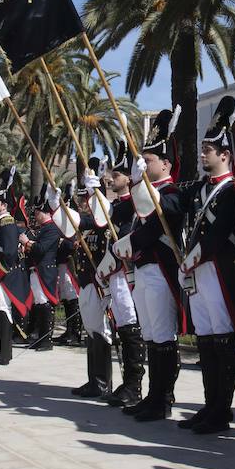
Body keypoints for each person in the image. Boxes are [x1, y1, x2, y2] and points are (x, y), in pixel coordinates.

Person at [112, 109, 187, 422]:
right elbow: (117, 213)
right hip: (143, 269)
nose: (144, 164)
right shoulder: (145, 192)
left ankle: (163, 399)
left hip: (161, 269)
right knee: (151, 335)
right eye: (142, 160)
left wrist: (130, 242)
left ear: (166, 164)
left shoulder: (171, 193)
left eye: (150, 160)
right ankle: (153, 396)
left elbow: (153, 222)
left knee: (163, 335)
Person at [178, 98, 235, 436]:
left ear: (225, 154)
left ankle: (222, 409)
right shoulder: (198, 189)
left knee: (222, 337)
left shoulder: (233, 191)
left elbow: (220, 233)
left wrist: (195, 256)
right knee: (205, 338)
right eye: (203, 149)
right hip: (198, 272)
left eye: (208, 150)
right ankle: (209, 404)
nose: (203, 154)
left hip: (219, 268)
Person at [96, 146, 146, 408]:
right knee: (123, 327)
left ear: (128, 178)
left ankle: (134, 385)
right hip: (114, 273)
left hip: (127, 272)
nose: (111, 179)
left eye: (116, 175)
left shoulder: (133, 204)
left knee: (130, 326)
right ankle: (128, 382)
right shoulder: (116, 205)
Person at [70, 161, 114, 398]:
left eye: (86, 198)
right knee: (91, 329)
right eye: (81, 199)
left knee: (101, 331)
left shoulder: (103, 223)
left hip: (99, 284)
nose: (83, 203)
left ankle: (102, 382)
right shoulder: (87, 226)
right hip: (86, 282)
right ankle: (93, 379)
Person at [0, 168, 29, 366]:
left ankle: (4, 355)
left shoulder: (7, 223)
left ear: (4, 205)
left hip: (6, 276)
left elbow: (10, 254)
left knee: (4, 312)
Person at [21, 195, 61, 351]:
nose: (35, 216)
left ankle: (46, 340)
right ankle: (40, 337)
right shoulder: (42, 229)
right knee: (38, 303)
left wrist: (27, 242)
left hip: (45, 270)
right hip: (36, 270)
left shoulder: (51, 229)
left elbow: (41, 249)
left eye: (37, 212)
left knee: (45, 303)